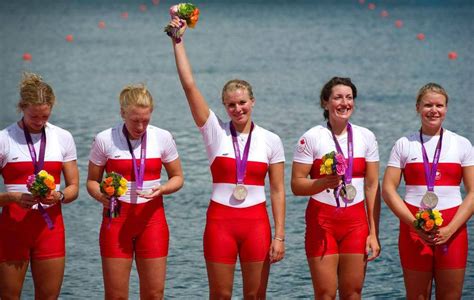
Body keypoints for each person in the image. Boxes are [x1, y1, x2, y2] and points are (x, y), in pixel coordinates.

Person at [167, 18, 286, 299]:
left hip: (257, 223)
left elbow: (279, 191)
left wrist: (279, 236)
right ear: (224, 106)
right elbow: (189, 85)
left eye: (242, 102)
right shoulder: (214, 132)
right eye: (231, 104)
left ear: (252, 102)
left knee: (255, 296)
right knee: (219, 295)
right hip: (220, 223)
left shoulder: (271, 140)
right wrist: (177, 41)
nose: (237, 108)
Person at [86, 84, 184, 299]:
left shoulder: (163, 137)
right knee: (116, 295)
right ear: (123, 113)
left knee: (154, 294)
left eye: (145, 120)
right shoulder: (105, 139)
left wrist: (163, 189)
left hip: (152, 221)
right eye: (135, 120)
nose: (140, 126)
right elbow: (92, 181)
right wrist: (101, 196)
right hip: (116, 221)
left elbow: (178, 178)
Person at [291, 77, 381, 299]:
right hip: (322, 222)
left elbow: (371, 186)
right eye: (338, 97)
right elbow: (296, 184)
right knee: (325, 293)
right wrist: (322, 183)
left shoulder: (366, 137)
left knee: (352, 293)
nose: (344, 103)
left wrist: (374, 233)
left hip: (356, 223)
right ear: (325, 103)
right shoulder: (311, 137)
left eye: (349, 98)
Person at [382, 83, 474, 299]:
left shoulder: (462, 144)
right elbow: (387, 189)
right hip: (414, 229)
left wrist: (451, 228)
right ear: (417, 108)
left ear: (446, 108)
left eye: (439, 105)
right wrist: (414, 224)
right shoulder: (404, 144)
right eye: (428, 105)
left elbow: (472, 192)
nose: (434, 110)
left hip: (453, 229)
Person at [0, 72, 80, 299]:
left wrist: (60, 196)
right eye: (34, 116)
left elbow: (74, 187)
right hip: (13, 228)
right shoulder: (4, 139)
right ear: (21, 107)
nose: (39, 122)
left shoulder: (63, 137)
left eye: (45, 116)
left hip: (50, 229)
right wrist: (13, 198)